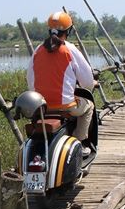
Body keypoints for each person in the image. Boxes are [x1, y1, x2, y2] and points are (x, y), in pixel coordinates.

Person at [26, 11, 96, 153]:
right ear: (68, 31)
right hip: (66, 107)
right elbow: (87, 81)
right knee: (89, 106)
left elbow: (30, 80)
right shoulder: (69, 49)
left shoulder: (38, 50)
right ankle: (80, 142)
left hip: (41, 107)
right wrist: (91, 84)